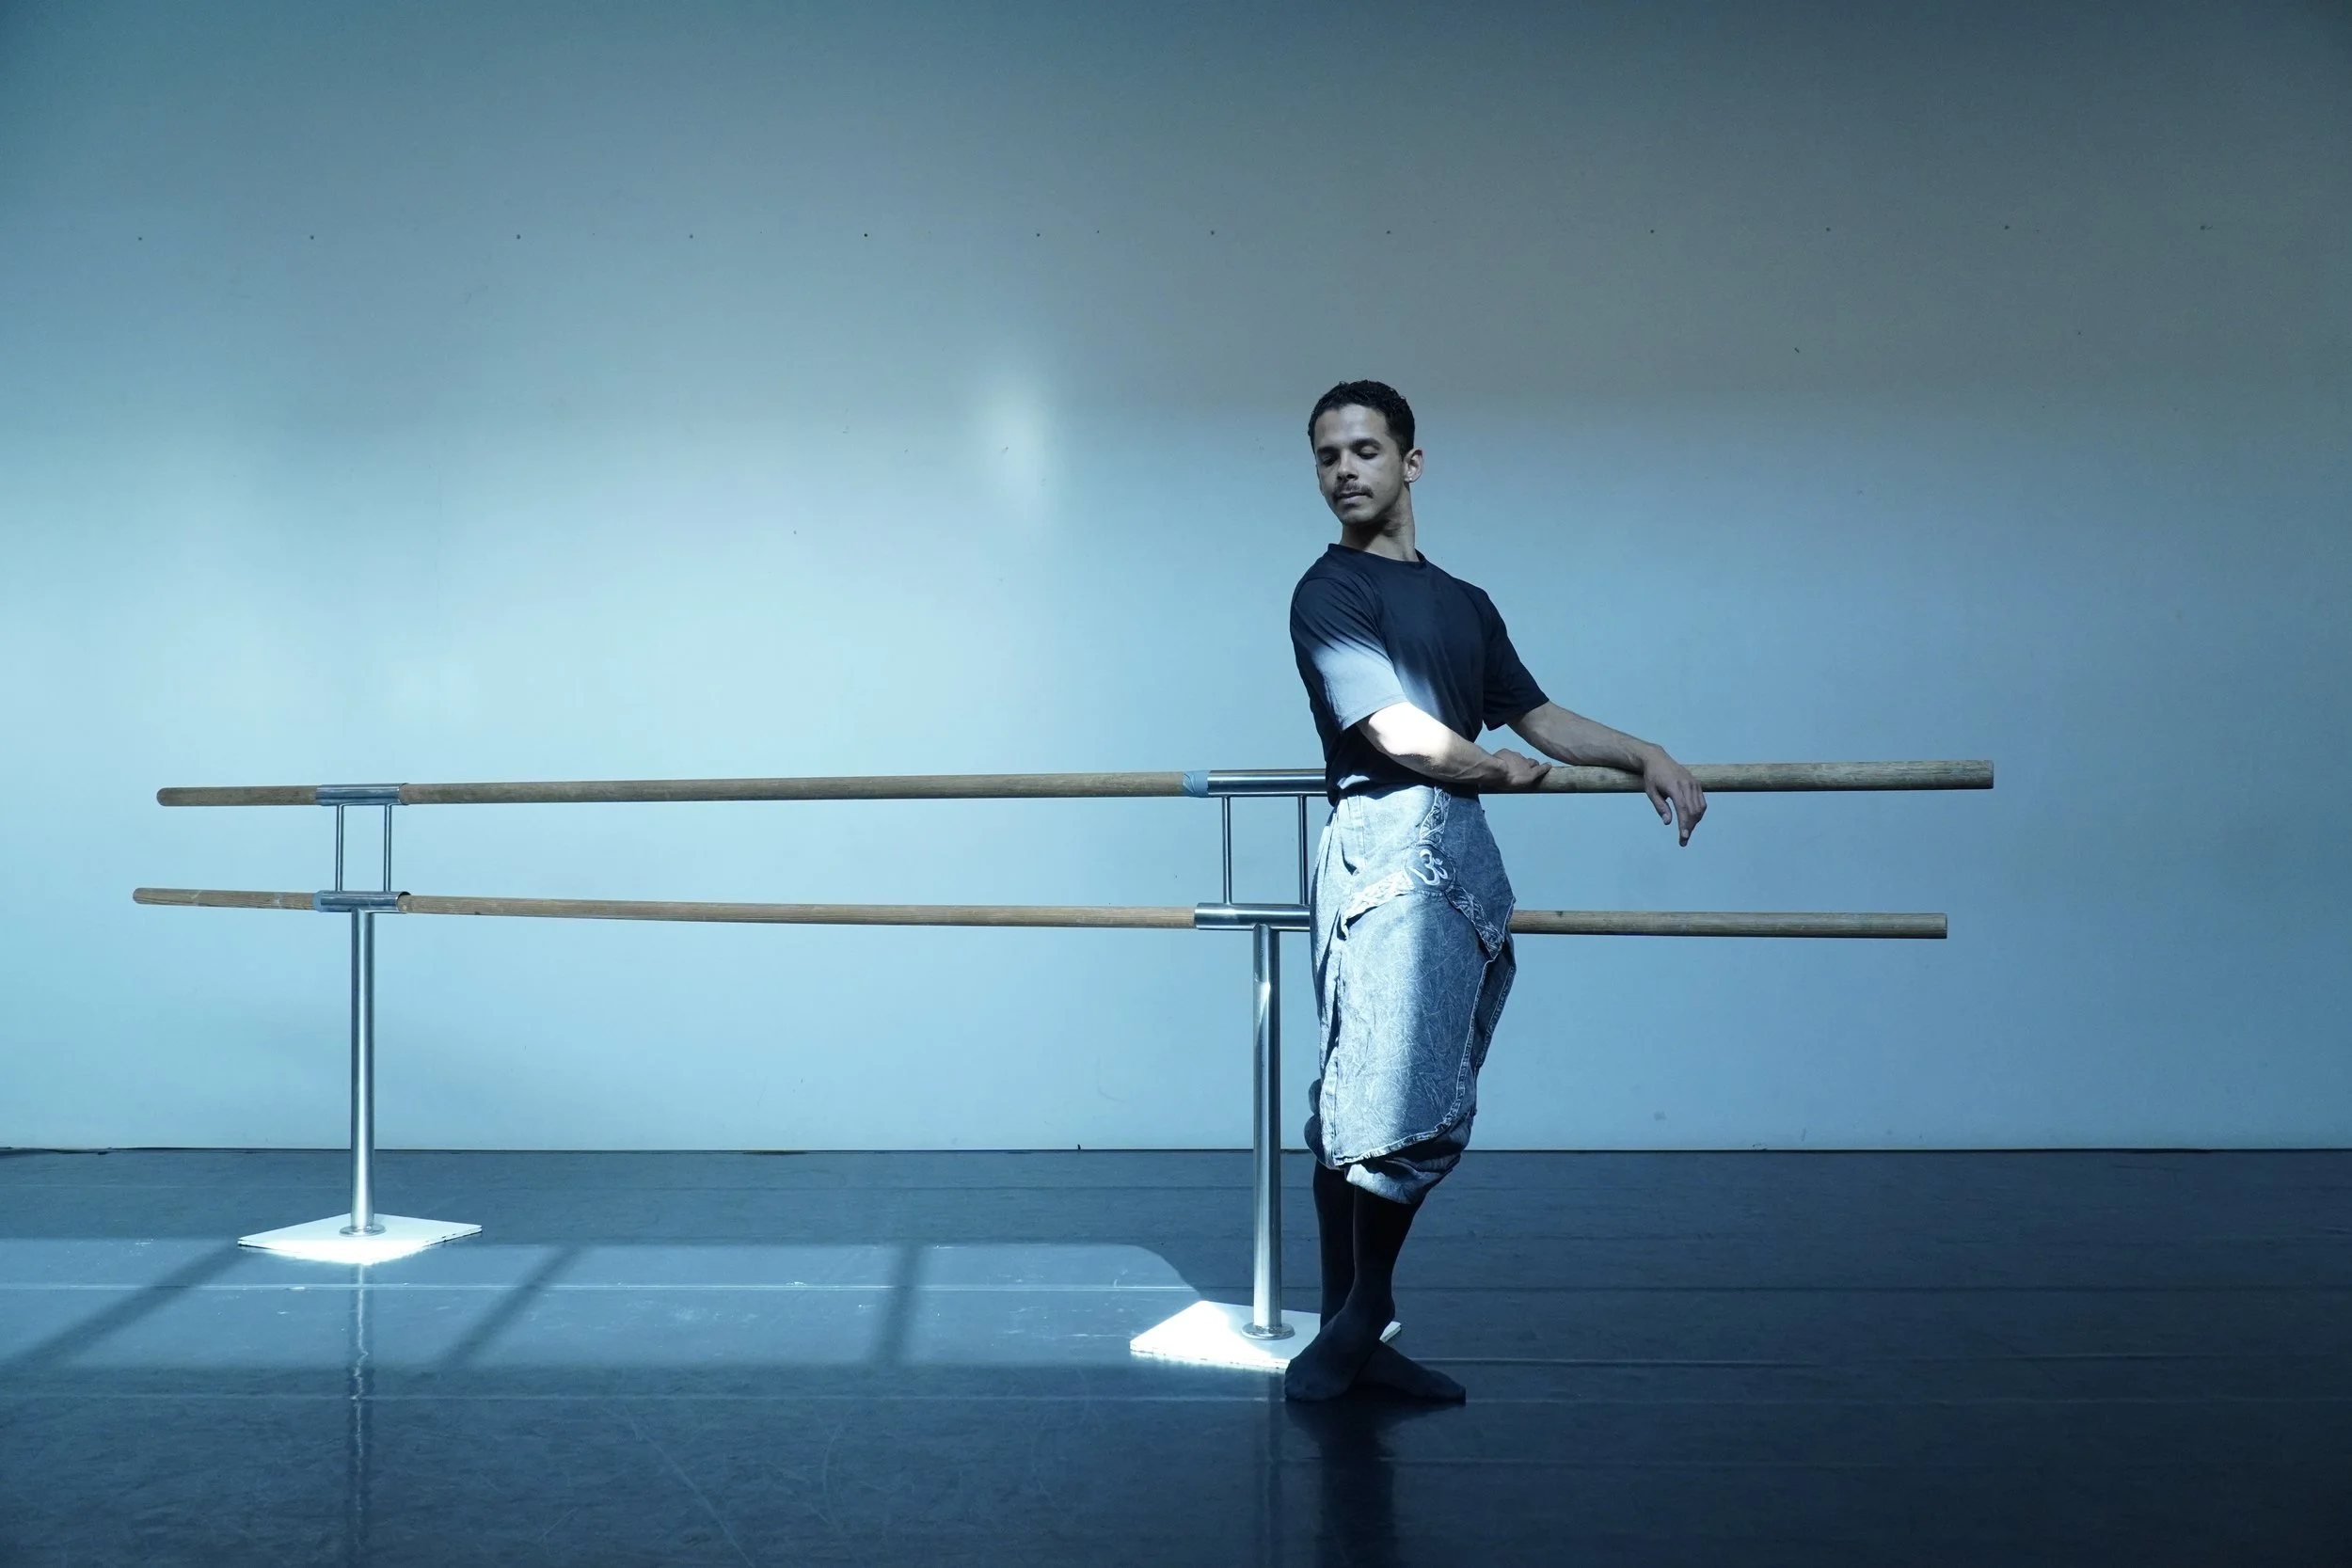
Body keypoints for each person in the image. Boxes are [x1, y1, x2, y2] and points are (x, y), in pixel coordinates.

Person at [1284, 380, 1708, 1402]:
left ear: (1410, 463)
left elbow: (1536, 714)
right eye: (1327, 455)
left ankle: (1360, 1332)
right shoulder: (1327, 590)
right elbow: (1389, 731)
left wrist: (1640, 749)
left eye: (1365, 450)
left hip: (1455, 846)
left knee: (1406, 1087)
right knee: (1377, 1094)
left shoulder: (1465, 602)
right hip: (1384, 835)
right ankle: (1350, 1326)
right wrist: (1485, 767)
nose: (1345, 469)